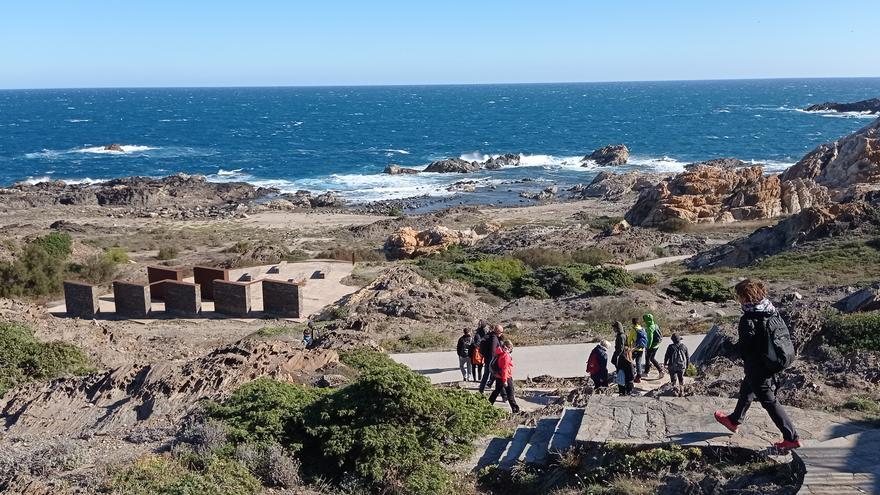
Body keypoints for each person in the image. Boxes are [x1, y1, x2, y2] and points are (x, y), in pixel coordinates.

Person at [714, 279, 801, 452]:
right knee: (747, 388)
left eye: (739, 296)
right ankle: (734, 420)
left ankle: (792, 438)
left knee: (769, 401)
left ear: (745, 298)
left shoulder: (749, 319)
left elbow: (745, 348)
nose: (738, 299)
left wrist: (733, 348)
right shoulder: (771, 311)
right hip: (772, 362)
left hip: (759, 366)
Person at [488, 339, 520, 413]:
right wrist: (505, 380)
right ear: (509, 347)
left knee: (496, 392)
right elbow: (504, 369)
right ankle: (515, 410)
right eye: (511, 348)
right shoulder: (506, 356)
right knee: (510, 394)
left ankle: (488, 404)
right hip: (505, 377)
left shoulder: (500, 352)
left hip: (499, 376)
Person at [479, 324, 503, 393]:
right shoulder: (494, 338)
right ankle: (503, 394)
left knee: (486, 374)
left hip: (487, 358)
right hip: (492, 359)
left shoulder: (489, 335)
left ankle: (481, 388)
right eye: (501, 332)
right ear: (498, 331)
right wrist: (495, 360)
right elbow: (493, 350)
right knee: (497, 375)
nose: (502, 334)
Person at [643, 314, 665, 379]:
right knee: (652, 358)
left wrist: (647, 347)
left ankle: (646, 372)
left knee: (647, 358)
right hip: (657, 345)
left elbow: (650, 339)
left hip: (651, 346)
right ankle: (660, 370)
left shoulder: (650, 328)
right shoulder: (655, 325)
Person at [628, 318, 648, 383]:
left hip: (635, 348)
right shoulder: (642, 328)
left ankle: (630, 374)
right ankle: (639, 376)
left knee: (629, 361)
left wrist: (629, 346)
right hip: (641, 348)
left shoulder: (633, 329)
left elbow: (629, 339)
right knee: (638, 362)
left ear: (632, 323)